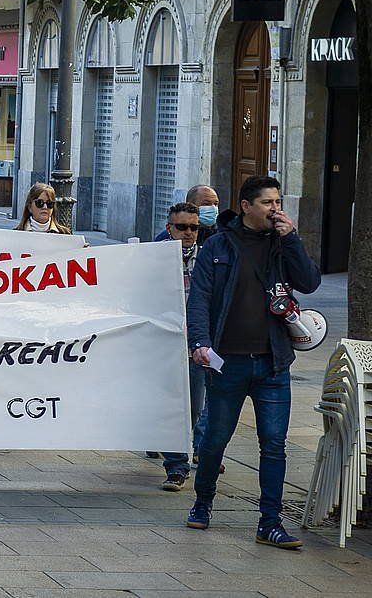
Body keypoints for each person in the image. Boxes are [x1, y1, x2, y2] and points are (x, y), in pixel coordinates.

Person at [185, 176, 321, 549]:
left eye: (278, 202)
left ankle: (270, 522)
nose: (275, 209)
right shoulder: (217, 246)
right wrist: (200, 342)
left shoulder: (282, 245)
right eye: (267, 203)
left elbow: (309, 283)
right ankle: (203, 502)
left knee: (274, 444)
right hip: (227, 362)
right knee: (214, 441)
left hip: (272, 362)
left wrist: (291, 238)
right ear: (246, 206)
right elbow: (199, 299)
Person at [158, 202, 210, 492]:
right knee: (170, 406)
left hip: (195, 343)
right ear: (169, 229)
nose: (189, 233)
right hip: (163, 343)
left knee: (193, 407)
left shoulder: (207, 259)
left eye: (194, 228)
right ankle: (176, 467)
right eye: (182, 227)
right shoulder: (155, 258)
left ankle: (197, 454)